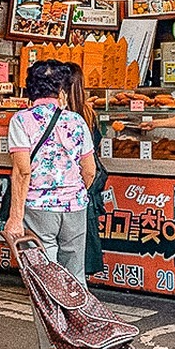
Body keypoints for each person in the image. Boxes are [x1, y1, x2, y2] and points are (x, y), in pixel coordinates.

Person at [4, 59, 96, 349]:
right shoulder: (77, 121)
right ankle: (83, 345)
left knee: (45, 281)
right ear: (61, 89)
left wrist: (15, 218)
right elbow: (90, 170)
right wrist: (72, 194)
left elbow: (22, 170)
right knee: (75, 277)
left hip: (39, 209)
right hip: (75, 208)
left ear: (30, 89)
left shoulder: (22, 121)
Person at [66, 62, 107, 278]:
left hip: (61, 190)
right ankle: (77, 286)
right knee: (79, 238)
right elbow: (91, 160)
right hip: (82, 187)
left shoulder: (60, 115)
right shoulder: (88, 113)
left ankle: (60, 287)